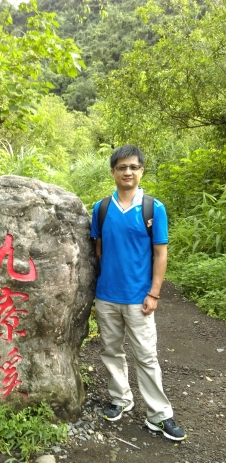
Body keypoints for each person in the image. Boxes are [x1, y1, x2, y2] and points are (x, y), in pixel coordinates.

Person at [90, 145, 186, 441]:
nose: (127, 172)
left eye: (133, 167)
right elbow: (98, 249)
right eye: (121, 167)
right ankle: (120, 399)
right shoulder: (102, 208)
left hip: (139, 298)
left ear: (141, 170)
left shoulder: (152, 208)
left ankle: (159, 415)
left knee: (146, 356)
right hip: (107, 295)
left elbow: (160, 253)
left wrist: (154, 293)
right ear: (113, 172)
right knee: (111, 351)